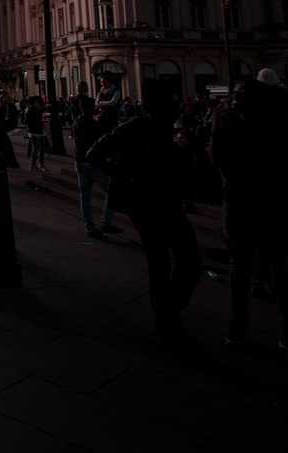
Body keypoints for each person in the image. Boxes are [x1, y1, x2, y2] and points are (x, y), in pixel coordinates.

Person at [88, 84, 200, 344]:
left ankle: (167, 310)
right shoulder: (135, 128)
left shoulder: (170, 130)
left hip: (167, 203)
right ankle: (166, 316)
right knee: (164, 262)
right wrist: (119, 177)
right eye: (172, 103)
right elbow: (95, 153)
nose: (177, 108)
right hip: (146, 205)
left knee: (184, 262)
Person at [211, 79, 288, 358]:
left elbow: (218, 161)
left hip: (244, 205)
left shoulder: (232, 126)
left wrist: (216, 126)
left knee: (242, 270)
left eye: (238, 95)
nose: (233, 99)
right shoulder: (281, 128)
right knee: (279, 271)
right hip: (275, 205)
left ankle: (239, 329)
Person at [70, 82, 118, 239]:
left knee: (85, 196)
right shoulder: (92, 124)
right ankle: (106, 221)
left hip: (79, 161)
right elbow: (100, 141)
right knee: (111, 190)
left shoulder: (77, 122)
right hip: (91, 163)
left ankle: (90, 226)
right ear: (91, 109)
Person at [24, 95, 48, 172]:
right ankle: (36, 165)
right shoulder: (32, 110)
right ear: (35, 102)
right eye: (37, 102)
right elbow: (33, 121)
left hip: (37, 131)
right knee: (38, 149)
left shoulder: (32, 110)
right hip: (36, 132)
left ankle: (36, 165)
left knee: (39, 149)